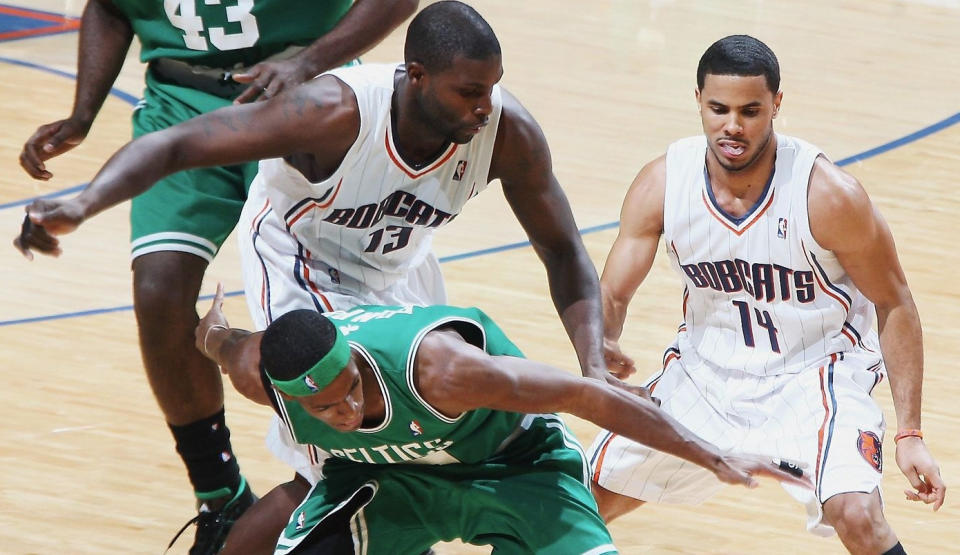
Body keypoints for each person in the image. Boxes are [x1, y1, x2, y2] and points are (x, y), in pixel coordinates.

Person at [15, 1, 418, 552]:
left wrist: (312, 61)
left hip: (305, 99)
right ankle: (221, 496)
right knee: (157, 289)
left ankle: (378, 488)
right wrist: (83, 114)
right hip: (180, 100)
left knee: (332, 315)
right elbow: (111, 6)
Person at [587, 35, 946, 553]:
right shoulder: (662, 182)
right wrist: (602, 345)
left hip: (816, 372)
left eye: (750, 110)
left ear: (777, 104)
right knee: (582, 500)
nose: (732, 126)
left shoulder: (827, 195)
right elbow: (612, 294)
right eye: (719, 109)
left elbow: (895, 304)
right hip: (704, 372)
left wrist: (910, 433)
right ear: (698, 101)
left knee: (857, 516)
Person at [194, 284, 808, 555]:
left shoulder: (440, 370)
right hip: (395, 484)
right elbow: (223, 343)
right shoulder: (262, 377)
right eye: (323, 408)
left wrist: (713, 454)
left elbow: (584, 396)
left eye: (351, 391)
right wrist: (213, 328)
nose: (345, 412)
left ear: (356, 360)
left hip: (517, 471)